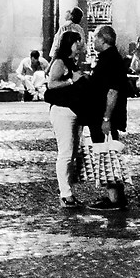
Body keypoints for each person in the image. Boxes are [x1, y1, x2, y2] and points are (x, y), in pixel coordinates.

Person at [41, 27, 90, 210]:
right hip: (62, 112)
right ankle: (65, 194)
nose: (81, 44)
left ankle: (69, 191)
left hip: (73, 111)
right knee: (65, 153)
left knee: (72, 152)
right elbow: (52, 84)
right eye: (78, 41)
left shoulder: (72, 62)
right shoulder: (60, 62)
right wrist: (72, 81)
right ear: (71, 43)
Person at [85, 25, 131, 209]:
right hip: (102, 115)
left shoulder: (109, 60)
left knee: (107, 155)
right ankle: (115, 196)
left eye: (95, 38)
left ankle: (114, 199)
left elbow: (112, 91)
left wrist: (106, 118)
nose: (93, 41)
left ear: (103, 40)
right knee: (107, 153)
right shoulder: (110, 58)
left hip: (103, 117)